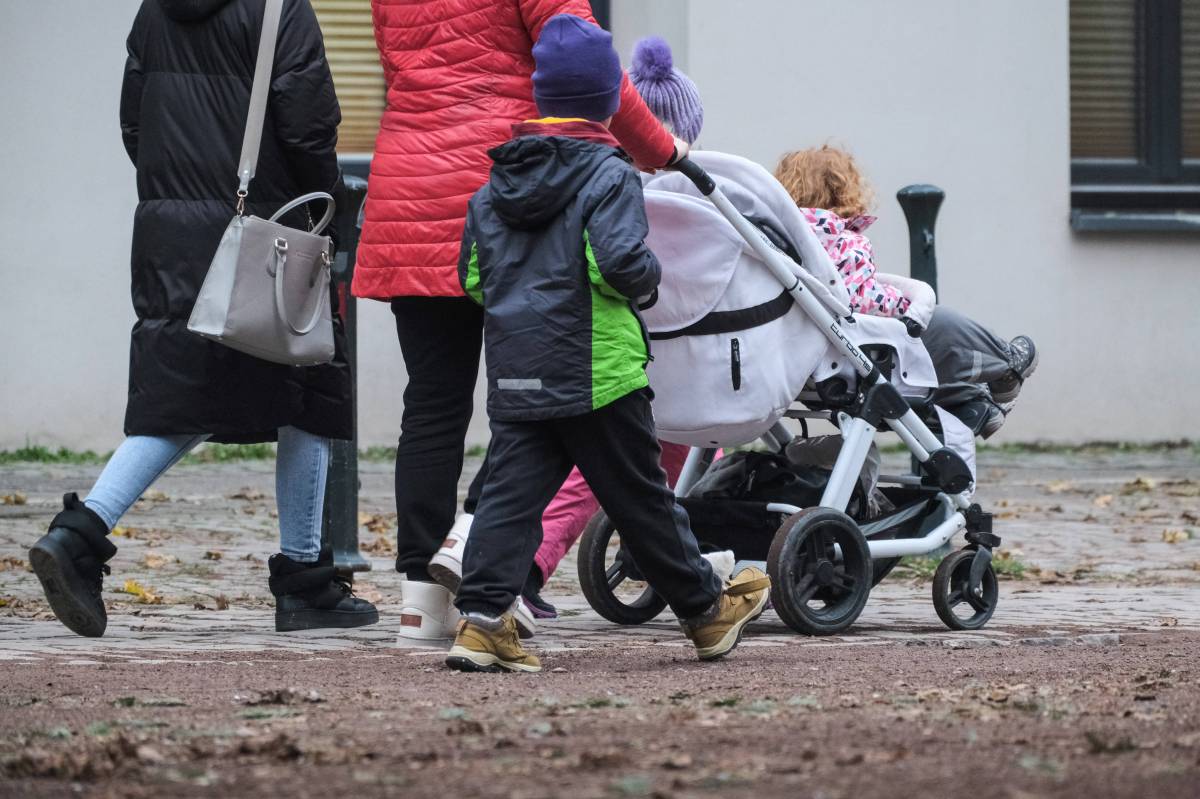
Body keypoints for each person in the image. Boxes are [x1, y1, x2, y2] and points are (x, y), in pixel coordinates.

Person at [28, 0, 377, 637]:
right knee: (304, 366)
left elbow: (135, 124)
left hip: (173, 229)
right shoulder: (279, 8)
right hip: (270, 230)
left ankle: (304, 575)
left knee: (193, 390)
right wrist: (331, 210)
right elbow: (307, 127)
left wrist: (181, 190)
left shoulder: (155, 10)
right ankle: (85, 535)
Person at [444, 15, 771, 674]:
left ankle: (481, 622)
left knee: (509, 498)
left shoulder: (494, 185)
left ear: (542, 98)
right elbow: (618, 262)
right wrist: (650, 281)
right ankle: (707, 613)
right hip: (598, 369)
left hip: (518, 370)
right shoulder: (608, 173)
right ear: (605, 103)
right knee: (641, 498)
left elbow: (473, 277)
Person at [354, 0, 690, 634]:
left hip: (411, 186)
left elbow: (403, 70)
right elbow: (593, 64)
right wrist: (663, 149)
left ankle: (421, 603)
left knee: (431, 404)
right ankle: (468, 539)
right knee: (549, 390)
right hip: (512, 188)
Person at [515, 35, 709, 618]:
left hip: (592, 348)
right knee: (628, 468)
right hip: (636, 355)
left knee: (638, 466)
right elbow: (625, 266)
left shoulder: (577, 176)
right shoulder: (667, 198)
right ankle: (529, 565)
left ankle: (666, 562)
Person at [774, 145, 1039, 437]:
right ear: (843, 192)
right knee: (937, 325)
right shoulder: (842, 239)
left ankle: (972, 403)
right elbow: (862, 300)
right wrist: (902, 304)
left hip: (798, 361)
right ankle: (1008, 363)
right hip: (849, 361)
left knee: (922, 346)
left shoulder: (773, 241)